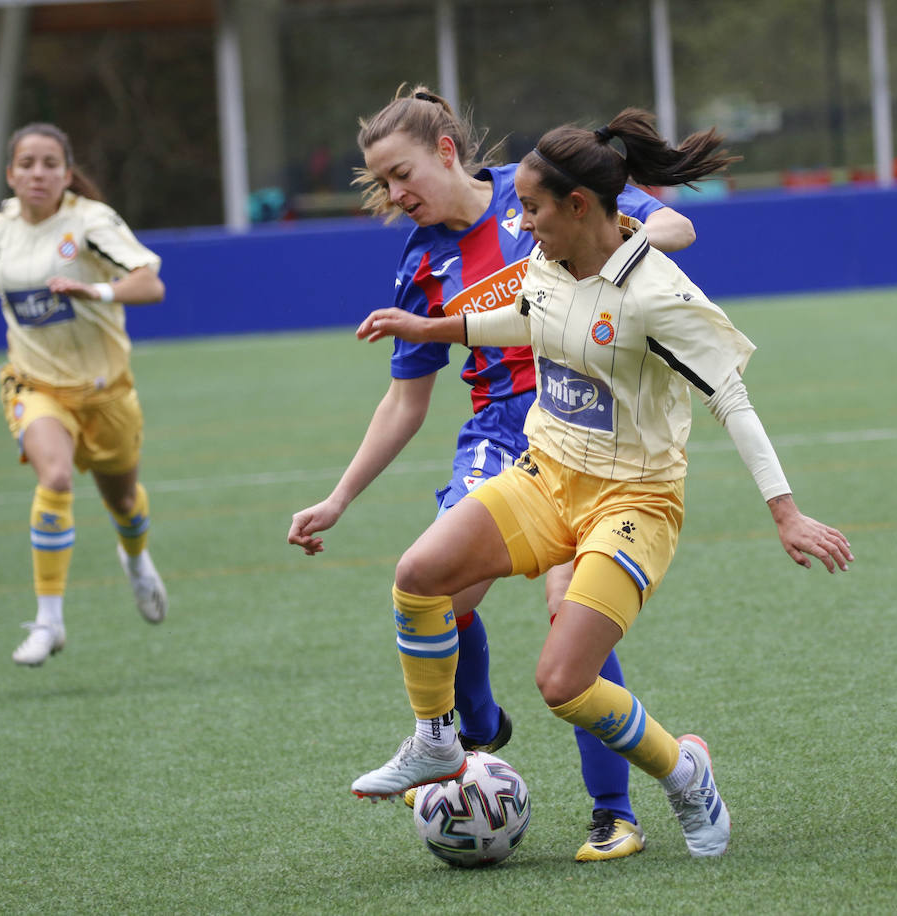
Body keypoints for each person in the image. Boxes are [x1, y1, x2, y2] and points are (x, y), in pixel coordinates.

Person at [349, 108, 854, 858]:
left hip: (633, 502)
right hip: (545, 477)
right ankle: (437, 741)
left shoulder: (657, 293)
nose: (519, 221)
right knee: (418, 577)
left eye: (531, 208)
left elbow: (733, 401)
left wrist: (786, 512)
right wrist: (428, 330)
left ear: (579, 206)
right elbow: (521, 314)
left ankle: (683, 771)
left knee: (563, 681)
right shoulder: (549, 263)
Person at [287, 86, 697, 862]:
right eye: (382, 184)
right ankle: (472, 727)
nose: (395, 195)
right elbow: (406, 402)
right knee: (440, 584)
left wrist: (634, 241)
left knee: (566, 612)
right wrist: (338, 498)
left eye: (402, 174)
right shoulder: (421, 261)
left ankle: (614, 812)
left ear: (447, 151)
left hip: (590, 429)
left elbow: (672, 221)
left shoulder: (536, 190)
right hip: (499, 437)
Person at [0, 122, 169, 667]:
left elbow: (151, 283)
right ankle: (49, 621)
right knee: (53, 477)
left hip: (105, 390)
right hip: (35, 383)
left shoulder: (90, 223)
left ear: (66, 173)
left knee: (123, 500)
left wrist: (94, 289)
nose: (37, 173)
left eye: (50, 163)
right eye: (26, 163)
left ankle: (136, 559)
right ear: (10, 173)